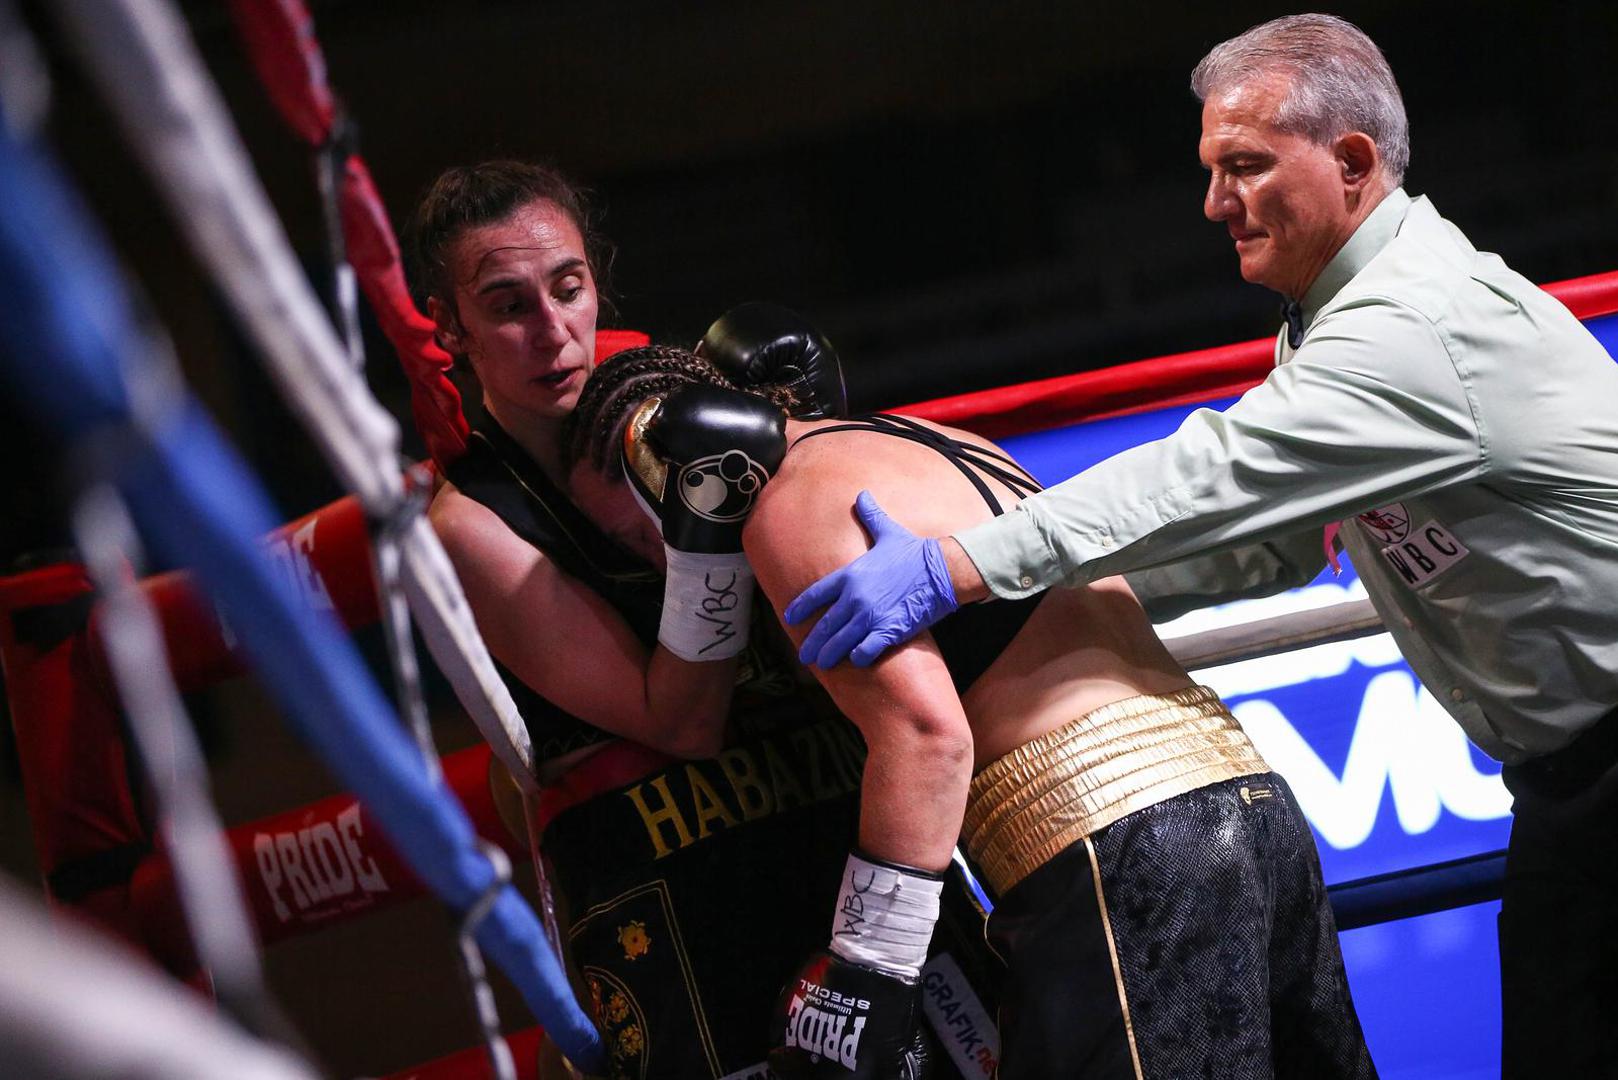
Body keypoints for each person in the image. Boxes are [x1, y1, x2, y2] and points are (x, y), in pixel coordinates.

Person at [783, 14, 1618, 1078]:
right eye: (1211, 169)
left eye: (1245, 166)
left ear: (1351, 160)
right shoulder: (1334, 319)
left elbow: (1206, 472)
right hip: (1570, 786)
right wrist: (1045, 605)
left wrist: (961, 564)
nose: (1215, 202)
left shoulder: (1410, 324)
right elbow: (1270, 547)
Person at [564, 345, 1377, 1080]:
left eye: (641, 532)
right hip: (1246, 799)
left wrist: (867, 971)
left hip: (1117, 843)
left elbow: (927, 737)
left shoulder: (788, 506)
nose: (661, 561)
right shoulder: (928, 438)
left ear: (674, 468)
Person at [406, 162, 994, 1079]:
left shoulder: (673, 411)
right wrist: (708, 537)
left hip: (848, 833)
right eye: (508, 306)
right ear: (450, 327)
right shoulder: (475, 524)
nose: (552, 331)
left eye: (568, 288)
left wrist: (800, 442)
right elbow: (680, 720)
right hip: (681, 901)